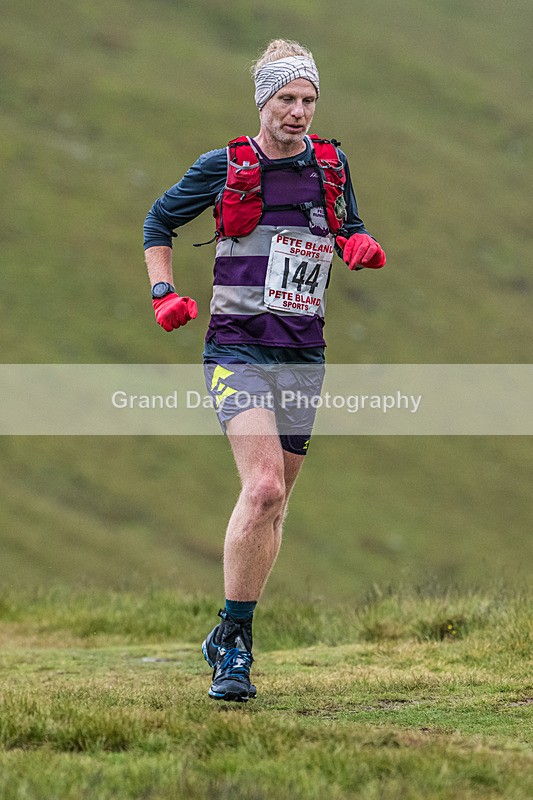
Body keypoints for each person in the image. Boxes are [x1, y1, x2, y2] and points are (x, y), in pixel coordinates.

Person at [143, 39, 386, 702]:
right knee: (264, 490)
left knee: (275, 506)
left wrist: (354, 242)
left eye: (308, 99)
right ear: (263, 101)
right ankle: (238, 651)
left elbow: (346, 224)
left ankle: (228, 630)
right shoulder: (224, 165)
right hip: (237, 348)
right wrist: (164, 293)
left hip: (302, 352)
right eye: (287, 98)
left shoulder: (331, 167)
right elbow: (158, 220)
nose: (299, 111)